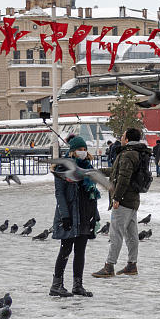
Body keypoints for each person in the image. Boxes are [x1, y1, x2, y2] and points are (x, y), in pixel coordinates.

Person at [92, 127, 148, 278]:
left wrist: (116, 198)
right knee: (131, 233)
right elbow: (118, 172)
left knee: (116, 233)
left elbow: (123, 178)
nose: (121, 138)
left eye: (123, 136)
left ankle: (109, 266)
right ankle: (132, 264)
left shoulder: (127, 154)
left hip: (123, 200)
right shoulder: (138, 152)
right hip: (133, 199)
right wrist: (100, 171)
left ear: (128, 139)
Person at [50, 135, 100, 297]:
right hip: (71, 215)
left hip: (85, 215)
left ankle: (77, 285)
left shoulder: (88, 168)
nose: (83, 152)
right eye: (80, 149)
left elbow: (92, 195)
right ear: (72, 151)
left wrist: (95, 216)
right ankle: (56, 285)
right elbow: (60, 194)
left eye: (85, 149)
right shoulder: (63, 168)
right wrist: (65, 216)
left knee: (80, 251)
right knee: (65, 249)